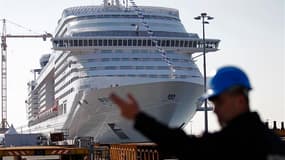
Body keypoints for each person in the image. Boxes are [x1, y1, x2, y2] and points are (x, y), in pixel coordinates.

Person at [110, 66, 285, 160]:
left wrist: (138, 117)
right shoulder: (275, 143)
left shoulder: (230, 143)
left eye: (219, 101)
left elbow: (181, 145)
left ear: (239, 100)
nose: (214, 109)